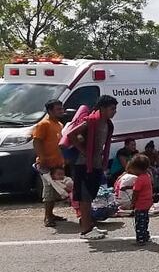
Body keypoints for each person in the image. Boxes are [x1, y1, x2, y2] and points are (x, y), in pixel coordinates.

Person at [70, 95, 118, 240]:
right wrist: (86, 152)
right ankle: (85, 230)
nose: (114, 112)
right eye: (112, 109)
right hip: (84, 164)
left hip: (95, 164)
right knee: (85, 197)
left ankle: (89, 224)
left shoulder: (106, 123)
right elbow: (72, 135)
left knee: (90, 196)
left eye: (115, 109)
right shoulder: (91, 121)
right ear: (102, 108)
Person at [32, 98, 67, 228]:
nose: (61, 111)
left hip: (57, 163)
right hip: (46, 164)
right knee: (48, 190)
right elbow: (37, 141)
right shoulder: (43, 124)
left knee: (56, 190)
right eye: (58, 109)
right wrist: (42, 158)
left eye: (61, 108)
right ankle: (47, 216)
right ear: (50, 111)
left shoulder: (59, 124)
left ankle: (51, 214)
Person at [127, 154, 154, 247]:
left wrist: (132, 203)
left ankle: (141, 239)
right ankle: (146, 235)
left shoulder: (139, 179)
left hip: (140, 204)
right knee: (145, 220)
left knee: (139, 222)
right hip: (147, 202)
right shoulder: (147, 176)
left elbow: (136, 192)